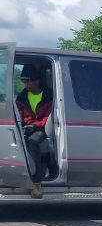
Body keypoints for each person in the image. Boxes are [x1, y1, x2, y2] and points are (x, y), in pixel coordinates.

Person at [15, 64, 54, 198]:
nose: (26, 84)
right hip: (27, 127)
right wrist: (23, 126)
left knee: (32, 142)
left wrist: (35, 126)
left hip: (42, 129)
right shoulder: (21, 97)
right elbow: (19, 115)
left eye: (28, 81)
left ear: (37, 81)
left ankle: (36, 182)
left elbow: (49, 116)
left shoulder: (49, 96)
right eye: (23, 81)